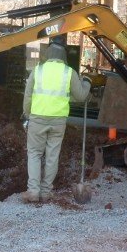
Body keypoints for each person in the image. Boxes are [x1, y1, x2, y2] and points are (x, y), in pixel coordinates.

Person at [22, 42, 91, 202]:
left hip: (38, 117)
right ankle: (46, 192)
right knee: (52, 155)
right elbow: (80, 96)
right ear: (64, 57)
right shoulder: (69, 72)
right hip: (58, 120)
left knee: (34, 153)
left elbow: (28, 96)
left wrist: (27, 114)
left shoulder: (37, 71)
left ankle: (33, 191)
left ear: (47, 55)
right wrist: (87, 83)